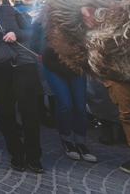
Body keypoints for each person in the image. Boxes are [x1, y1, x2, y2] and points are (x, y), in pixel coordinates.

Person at [0, 0, 44, 173]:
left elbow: (30, 32)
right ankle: (17, 155)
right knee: (6, 114)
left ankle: (34, 157)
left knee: (30, 112)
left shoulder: (10, 10)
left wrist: (17, 34)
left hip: (24, 64)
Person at [33, 9, 96, 163]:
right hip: (54, 67)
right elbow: (35, 42)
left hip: (76, 68)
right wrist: (45, 51)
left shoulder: (78, 18)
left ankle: (80, 141)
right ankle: (67, 139)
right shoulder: (44, 19)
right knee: (65, 105)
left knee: (80, 106)